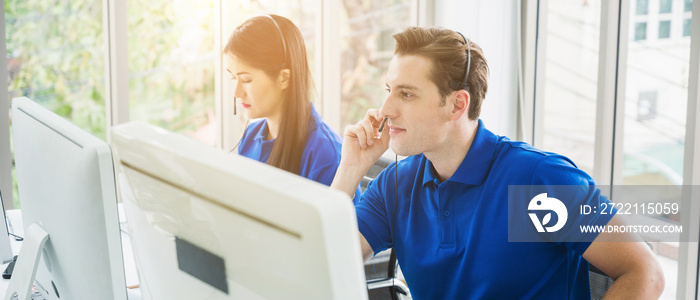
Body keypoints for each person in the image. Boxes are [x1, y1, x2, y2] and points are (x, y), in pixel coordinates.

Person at [331, 26, 664, 299]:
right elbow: (327, 263)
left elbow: (645, 273)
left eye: (406, 94)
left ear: (457, 105)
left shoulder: (534, 181)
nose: (385, 108)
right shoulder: (396, 186)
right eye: (389, 90)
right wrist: (350, 169)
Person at [223, 14, 360, 203]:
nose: (237, 92)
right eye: (233, 78)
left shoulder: (326, 155)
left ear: (284, 78)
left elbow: (340, 230)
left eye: (246, 80)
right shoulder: (251, 136)